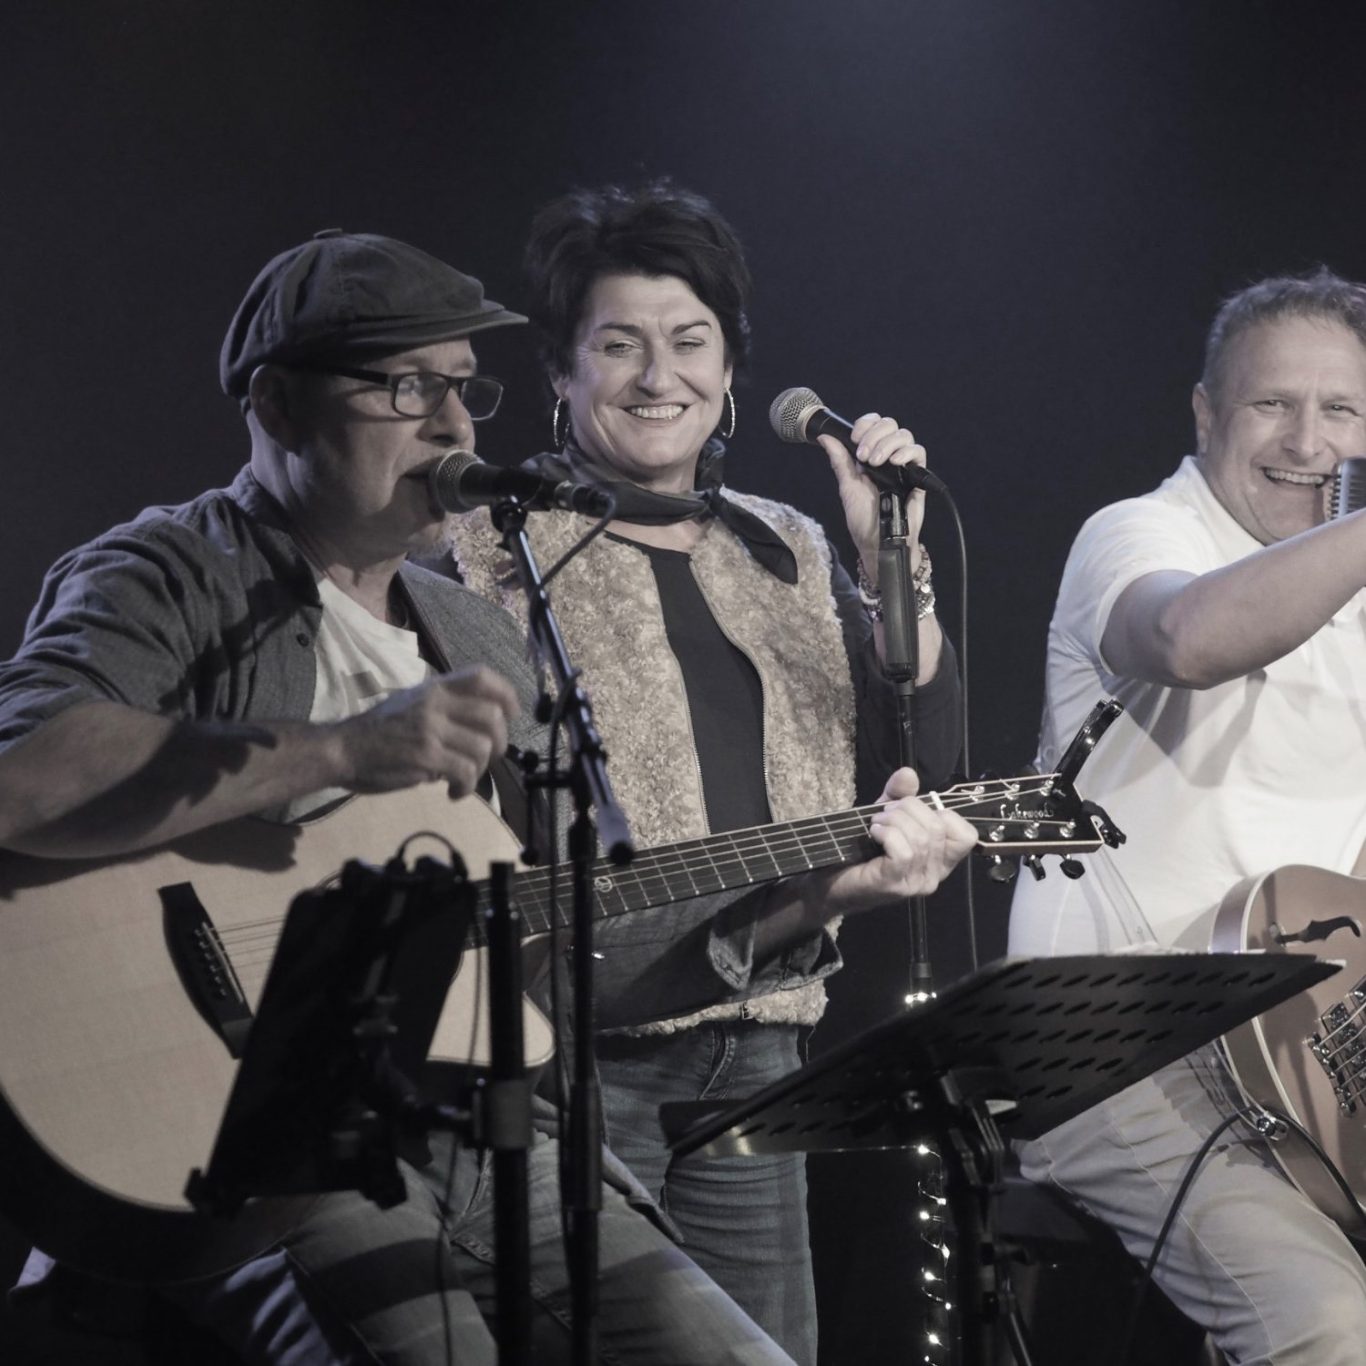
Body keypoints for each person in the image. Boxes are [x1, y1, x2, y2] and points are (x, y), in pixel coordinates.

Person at [0, 228, 975, 1366]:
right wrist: (337, 752)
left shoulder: (469, 635)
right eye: (405, 387)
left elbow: (573, 938)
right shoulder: (172, 571)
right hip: (261, 1143)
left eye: (463, 387)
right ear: (276, 406)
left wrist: (823, 894)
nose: (453, 426)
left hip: (489, 1130)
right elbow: (24, 774)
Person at [446, 181, 968, 1365]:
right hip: (573, 1058)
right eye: (617, 345)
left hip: (761, 1054)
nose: (657, 376)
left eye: (689, 342)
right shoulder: (488, 546)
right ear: (561, 369)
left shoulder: (786, 543)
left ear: (729, 368)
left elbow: (918, 763)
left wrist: (888, 555)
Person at [1008, 267, 1366, 1364]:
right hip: (1115, 1050)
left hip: (1315, 1055)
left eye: (1342, 410)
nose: (1307, 441)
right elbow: (1187, 641)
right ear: (1206, 413)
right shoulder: (1135, 534)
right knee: (1330, 1329)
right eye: (1272, 403)